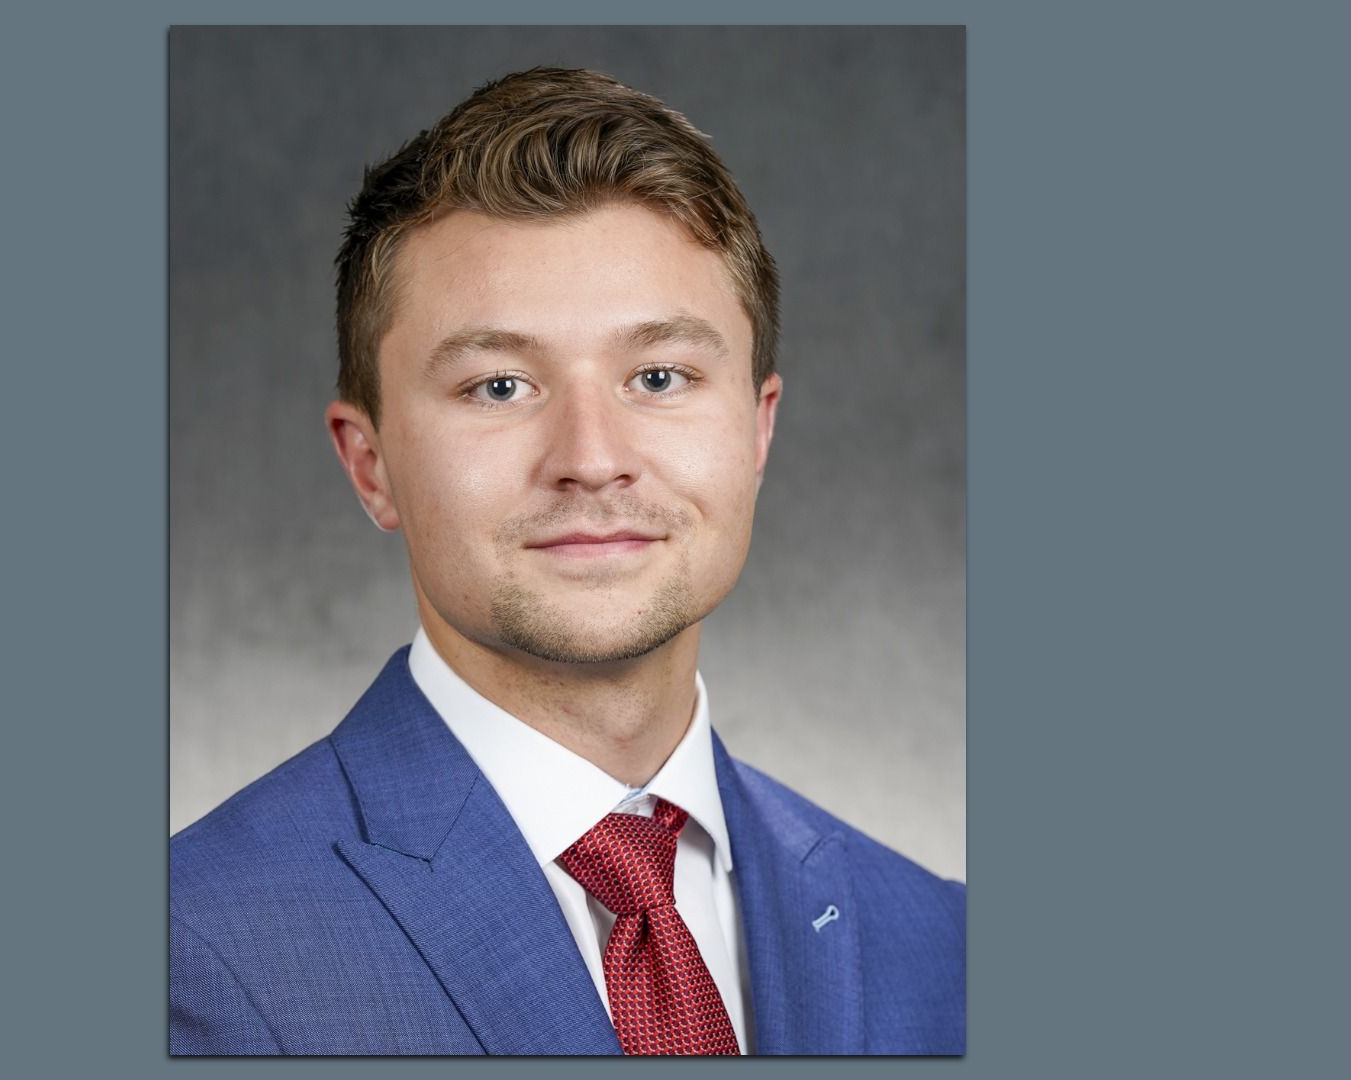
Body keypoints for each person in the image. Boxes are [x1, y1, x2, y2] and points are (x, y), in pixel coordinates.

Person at [169, 67, 965, 1056]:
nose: (591, 458)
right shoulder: (192, 950)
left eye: (659, 377)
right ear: (370, 465)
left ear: (757, 432)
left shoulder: (942, 945)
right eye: (499, 386)